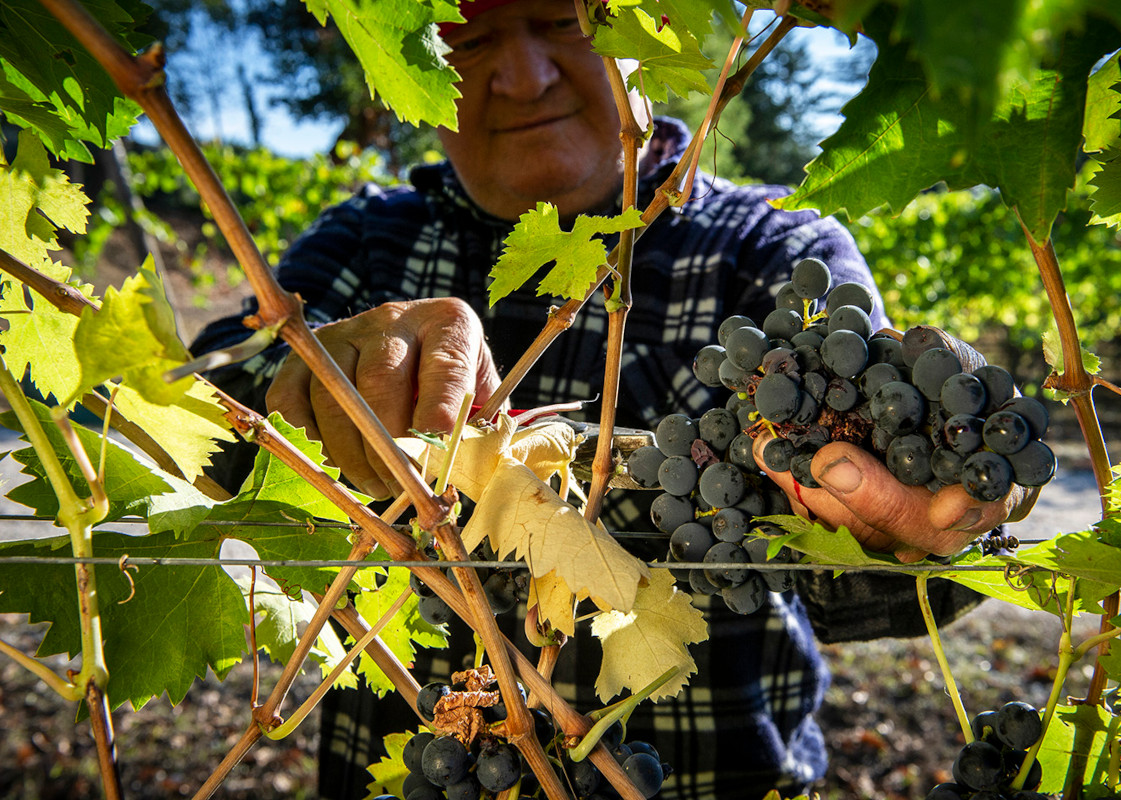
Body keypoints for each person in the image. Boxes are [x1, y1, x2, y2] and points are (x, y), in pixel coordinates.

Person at [190, 1, 1027, 797]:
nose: (522, 74)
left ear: (643, 34)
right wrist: (300, 374)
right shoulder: (364, 242)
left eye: (562, 20)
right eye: (468, 42)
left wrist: (920, 521)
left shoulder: (776, 247)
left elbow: (870, 573)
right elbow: (190, 428)